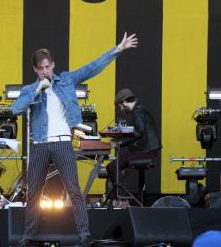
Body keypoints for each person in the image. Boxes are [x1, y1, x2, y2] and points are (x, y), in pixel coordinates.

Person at [12, 33, 138, 247]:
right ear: (35, 70)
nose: (45, 72)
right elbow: (16, 108)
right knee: (33, 192)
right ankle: (28, 236)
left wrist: (118, 49)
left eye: (47, 67)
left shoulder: (67, 80)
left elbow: (92, 67)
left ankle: (84, 235)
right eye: (40, 68)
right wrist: (37, 89)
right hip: (40, 144)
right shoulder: (29, 90)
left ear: (53, 65)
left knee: (74, 189)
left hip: (62, 142)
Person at [106, 88, 161, 200]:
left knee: (112, 166)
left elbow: (138, 132)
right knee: (117, 165)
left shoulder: (138, 112)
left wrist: (118, 142)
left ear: (125, 102)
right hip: (148, 151)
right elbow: (137, 131)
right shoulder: (140, 109)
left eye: (120, 106)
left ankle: (122, 198)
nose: (121, 109)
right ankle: (119, 197)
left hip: (147, 153)